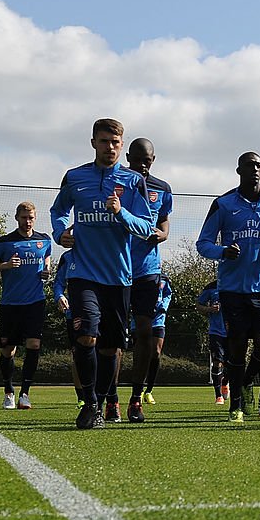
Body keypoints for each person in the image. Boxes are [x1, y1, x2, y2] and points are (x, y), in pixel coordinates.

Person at [50, 118, 155, 429]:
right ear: (93, 142)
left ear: (121, 146)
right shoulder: (74, 177)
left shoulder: (133, 181)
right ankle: (91, 404)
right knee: (85, 335)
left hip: (119, 276)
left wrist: (120, 212)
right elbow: (58, 211)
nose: (110, 147)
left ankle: (99, 399)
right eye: (104, 141)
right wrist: (60, 233)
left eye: (115, 142)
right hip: (83, 274)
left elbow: (146, 227)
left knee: (111, 347)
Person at [196, 152, 260, 423]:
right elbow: (203, 244)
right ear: (239, 170)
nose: (255, 169)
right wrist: (223, 252)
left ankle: (245, 381)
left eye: (259, 165)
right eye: (250, 165)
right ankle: (236, 404)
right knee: (235, 348)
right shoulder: (223, 204)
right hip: (232, 290)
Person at [125, 138, 172, 423]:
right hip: (114, 269)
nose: (143, 164)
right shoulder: (117, 182)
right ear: (128, 157)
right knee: (113, 336)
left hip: (148, 270)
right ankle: (110, 398)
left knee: (144, 333)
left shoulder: (162, 188)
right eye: (138, 158)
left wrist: (163, 234)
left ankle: (135, 398)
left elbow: (164, 221)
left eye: (148, 159)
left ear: (154, 160)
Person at [0, 202, 53, 409]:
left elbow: (47, 256)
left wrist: (46, 269)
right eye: (23, 218)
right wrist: (5, 266)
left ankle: (25, 394)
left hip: (35, 302)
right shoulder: (4, 242)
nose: (27, 221)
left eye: (30, 218)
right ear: (17, 218)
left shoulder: (44, 240)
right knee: (8, 349)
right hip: (11, 304)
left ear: (35, 218)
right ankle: (9, 391)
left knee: (34, 345)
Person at [52, 249, 85, 407]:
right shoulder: (67, 257)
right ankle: (82, 397)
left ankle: (105, 397)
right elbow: (58, 282)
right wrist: (60, 296)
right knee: (78, 355)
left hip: (100, 312)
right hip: (74, 314)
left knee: (104, 352)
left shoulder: (102, 251)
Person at [139, 275, 172, 404]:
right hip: (141, 318)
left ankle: (149, 391)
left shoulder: (164, 280)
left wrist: (163, 307)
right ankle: (139, 390)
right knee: (142, 353)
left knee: (156, 353)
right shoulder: (139, 275)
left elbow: (168, 295)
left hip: (158, 319)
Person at [197, 279, 228, 405]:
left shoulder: (237, 283)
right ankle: (218, 395)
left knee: (234, 363)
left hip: (234, 331)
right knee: (217, 362)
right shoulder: (211, 287)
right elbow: (198, 305)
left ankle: (225, 382)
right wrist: (210, 309)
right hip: (216, 331)